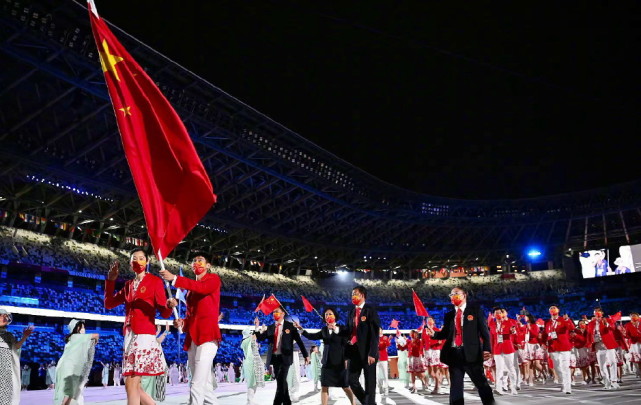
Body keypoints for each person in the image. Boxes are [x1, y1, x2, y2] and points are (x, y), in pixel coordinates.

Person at [104, 248, 173, 405]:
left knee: (131, 382)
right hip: (129, 335)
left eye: (141, 258)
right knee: (133, 384)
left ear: (147, 262)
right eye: (134, 258)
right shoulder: (128, 285)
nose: (138, 261)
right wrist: (111, 281)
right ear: (130, 263)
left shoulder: (155, 281)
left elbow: (165, 313)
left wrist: (169, 305)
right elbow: (108, 304)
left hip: (144, 335)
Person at [161, 253, 222, 405]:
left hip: (208, 337)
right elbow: (192, 317)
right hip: (193, 337)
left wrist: (175, 279)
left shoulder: (213, 279)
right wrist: (182, 323)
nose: (196, 263)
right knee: (205, 386)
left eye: (200, 260)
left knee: (196, 383)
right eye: (194, 261)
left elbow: (201, 288)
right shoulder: (189, 293)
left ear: (208, 265)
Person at [425, 286, 494, 405]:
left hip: (472, 354)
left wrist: (487, 349)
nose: (453, 297)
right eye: (451, 295)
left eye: (456, 293)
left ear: (464, 295)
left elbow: (485, 332)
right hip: (454, 354)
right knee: (456, 387)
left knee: (481, 384)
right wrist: (434, 334)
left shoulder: (475, 311)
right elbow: (445, 333)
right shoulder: (449, 315)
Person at [294, 308, 356, 405]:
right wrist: (300, 328)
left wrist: (335, 329)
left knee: (345, 386)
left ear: (335, 316)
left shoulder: (343, 329)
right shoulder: (324, 330)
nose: (328, 316)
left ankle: (353, 403)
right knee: (324, 386)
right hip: (327, 363)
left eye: (330, 314)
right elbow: (312, 336)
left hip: (340, 362)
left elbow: (347, 341)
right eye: (326, 314)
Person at [332, 286, 380, 405]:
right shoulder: (352, 312)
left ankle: (369, 402)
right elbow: (349, 330)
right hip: (354, 352)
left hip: (368, 353)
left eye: (355, 294)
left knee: (370, 383)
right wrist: (336, 329)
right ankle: (368, 403)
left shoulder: (370, 310)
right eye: (352, 294)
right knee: (351, 380)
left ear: (363, 295)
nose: (353, 296)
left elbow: (375, 333)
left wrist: (372, 353)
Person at [254, 306, 309, 405]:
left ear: (283, 313)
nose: (275, 314)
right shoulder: (270, 327)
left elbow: (299, 341)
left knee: (281, 380)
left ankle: (276, 403)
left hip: (286, 357)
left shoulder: (290, 326)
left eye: (277, 312)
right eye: (274, 312)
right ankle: (287, 402)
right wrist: (257, 327)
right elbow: (260, 338)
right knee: (281, 382)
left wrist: (306, 355)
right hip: (275, 358)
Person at [53, 319, 100, 405]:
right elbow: (96, 335)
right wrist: (95, 342)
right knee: (70, 393)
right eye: (83, 327)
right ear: (78, 328)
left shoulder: (74, 339)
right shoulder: (76, 337)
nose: (84, 329)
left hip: (69, 368)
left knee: (72, 393)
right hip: (69, 369)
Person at [0, 308, 33, 405]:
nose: (4, 318)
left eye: (6, 316)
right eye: (2, 316)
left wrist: (25, 336)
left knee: (7, 397)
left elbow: (16, 347)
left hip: (7, 370)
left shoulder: (9, 335)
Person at [586, 307, 619, 389]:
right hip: (598, 345)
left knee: (612, 362)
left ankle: (614, 381)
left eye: (598, 311)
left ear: (602, 313)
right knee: (602, 365)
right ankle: (606, 381)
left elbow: (613, 328)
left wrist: (606, 324)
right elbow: (589, 335)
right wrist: (589, 344)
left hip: (608, 344)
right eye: (595, 312)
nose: (597, 313)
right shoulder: (591, 323)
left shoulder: (607, 320)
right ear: (593, 314)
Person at [543, 306, 574, 394]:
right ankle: (563, 382)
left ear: (558, 310)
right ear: (549, 312)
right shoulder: (548, 323)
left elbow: (571, 328)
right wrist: (542, 343)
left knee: (565, 367)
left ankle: (568, 387)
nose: (553, 310)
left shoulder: (563, 320)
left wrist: (567, 320)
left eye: (554, 308)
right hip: (553, 348)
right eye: (551, 309)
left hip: (564, 346)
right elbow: (545, 334)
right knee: (557, 368)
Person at [489, 307, 518, 395]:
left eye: (499, 313)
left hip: (508, 348)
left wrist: (513, 331)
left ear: (502, 314)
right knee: (499, 369)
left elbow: (513, 330)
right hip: (497, 349)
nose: (498, 314)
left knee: (510, 368)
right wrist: (491, 351)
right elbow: (492, 338)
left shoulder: (509, 322)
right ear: (494, 315)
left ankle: (513, 387)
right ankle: (498, 388)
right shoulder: (492, 325)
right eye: (496, 313)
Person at [241, 327, 265, 405]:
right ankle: (250, 400)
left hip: (248, 363)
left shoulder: (244, 342)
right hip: (253, 363)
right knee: (253, 382)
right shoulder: (250, 340)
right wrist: (260, 329)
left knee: (252, 382)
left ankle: (250, 399)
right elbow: (255, 336)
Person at [624, 311, 641, 377]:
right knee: (636, 359)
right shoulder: (628, 325)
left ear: (638, 316)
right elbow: (627, 335)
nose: (633, 317)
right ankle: (638, 372)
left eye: (635, 316)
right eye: (632, 316)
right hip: (634, 344)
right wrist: (625, 335)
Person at [376, 328, 391, 397]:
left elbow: (388, 344)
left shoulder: (385, 337)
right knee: (377, 375)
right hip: (377, 359)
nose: (379, 330)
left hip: (384, 358)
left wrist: (386, 340)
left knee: (385, 375)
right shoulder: (374, 337)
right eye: (378, 329)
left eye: (380, 329)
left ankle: (386, 390)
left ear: (382, 331)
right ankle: (380, 387)